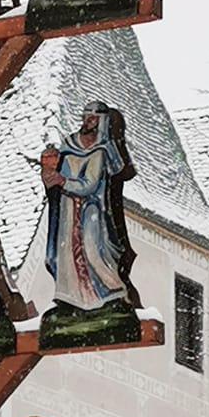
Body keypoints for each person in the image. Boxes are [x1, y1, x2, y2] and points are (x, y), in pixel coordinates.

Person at [42, 102, 134, 314]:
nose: (87, 122)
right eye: (85, 117)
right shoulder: (69, 145)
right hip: (67, 206)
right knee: (65, 253)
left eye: (92, 119)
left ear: (101, 122)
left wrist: (63, 181)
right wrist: (49, 174)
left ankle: (112, 292)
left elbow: (90, 184)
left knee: (92, 250)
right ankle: (70, 297)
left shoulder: (100, 152)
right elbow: (56, 175)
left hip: (90, 207)